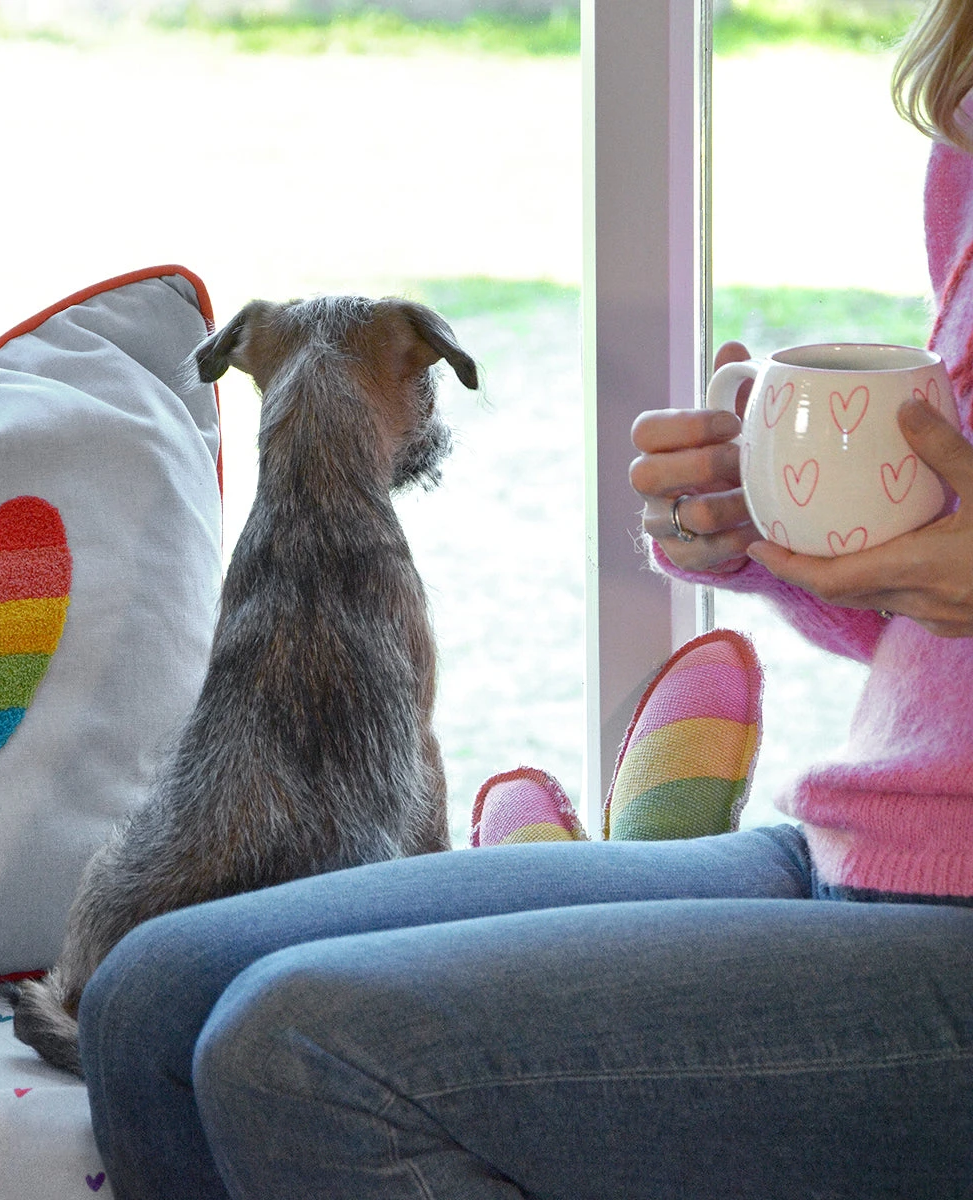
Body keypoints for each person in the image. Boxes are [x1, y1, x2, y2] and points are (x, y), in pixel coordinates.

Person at [79, 5, 973, 1196]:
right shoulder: (963, 122)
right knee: (146, 994)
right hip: (874, 842)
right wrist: (771, 530)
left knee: (297, 1055)